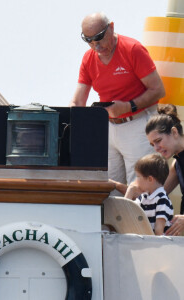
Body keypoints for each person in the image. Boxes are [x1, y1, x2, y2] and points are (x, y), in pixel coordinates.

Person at [69, 12, 165, 190]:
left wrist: (129, 106)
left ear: (111, 27)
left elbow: (158, 90)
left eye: (99, 38)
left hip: (138, 126)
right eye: (89, 41)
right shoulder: (88, 58)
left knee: (141, 189)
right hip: (108, 129)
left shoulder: (132, 49)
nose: (96, 46)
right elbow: (77, 102)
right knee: (109, 190)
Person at [111, 104, 184, 236]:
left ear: (174, 132)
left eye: (158, 140)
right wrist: (114, 185)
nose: (156, 148)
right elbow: (149, 192)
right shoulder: (176, 165)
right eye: (152, 144)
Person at [124, 153, 173, 235]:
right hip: (146, 241)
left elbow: (159, 230)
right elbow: (124, 212)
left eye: (138, 176)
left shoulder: (162, 199)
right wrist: (130, 191)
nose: (135, 180)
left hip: (157, 244)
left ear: (150, 179)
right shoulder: (143, 197)